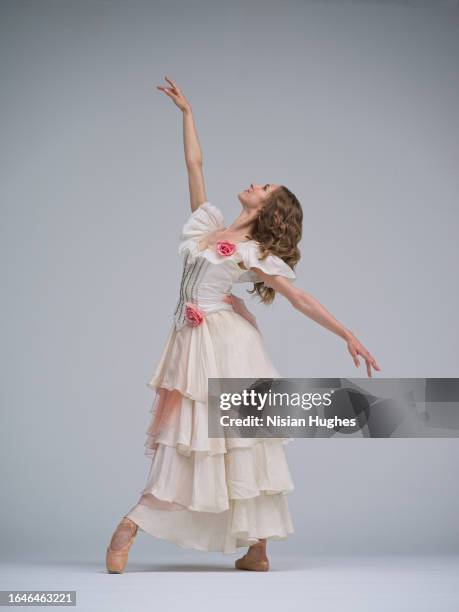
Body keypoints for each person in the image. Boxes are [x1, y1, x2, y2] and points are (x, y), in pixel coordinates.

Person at [105, 76, 380, 574]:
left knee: (235, 441)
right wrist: (187, 113)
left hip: (226, 344)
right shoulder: (208, 224)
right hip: (193, 339)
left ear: (267, 209)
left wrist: (347, 334)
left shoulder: (252, 252)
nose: (256, 182)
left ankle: (254, 547)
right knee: (194, 438)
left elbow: (298, 297)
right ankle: (139, 521)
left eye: (265, 187)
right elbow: (194, 164)